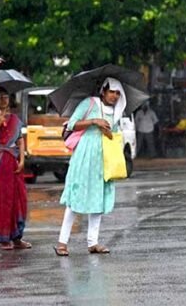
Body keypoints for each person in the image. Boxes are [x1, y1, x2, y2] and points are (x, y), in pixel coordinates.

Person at [55, 77, 125, 256]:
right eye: (111, 92)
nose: (114, 96)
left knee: (98, 198)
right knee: (76, 196)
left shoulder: (116, 112)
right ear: (103, 91)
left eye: (118, 93)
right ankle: (62, 242)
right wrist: (94, 121)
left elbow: (114, 136)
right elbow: (72, 124)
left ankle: (93, 242)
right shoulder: (90, 103)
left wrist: (107, 131)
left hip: (103, 159)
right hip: (85, 155)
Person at [0, 87, 31, 250]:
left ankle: (17, 237)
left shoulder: (14, 119)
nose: (3, 99)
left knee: (19, 198)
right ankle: (3, 239)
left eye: (6, 96)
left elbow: (20, 139)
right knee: (1, 199)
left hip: (13, 160)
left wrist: (22, 159)